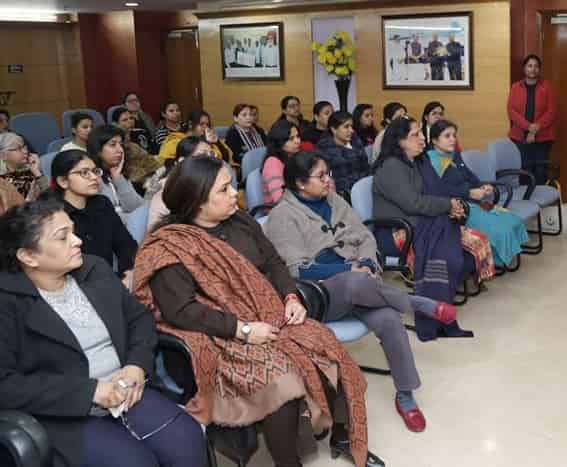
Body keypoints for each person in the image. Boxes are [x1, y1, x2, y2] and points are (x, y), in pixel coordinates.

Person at [134, 156, 383, 467]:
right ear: (197, 201)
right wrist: (243, 330)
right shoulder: (170, 246)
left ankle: (343, 435)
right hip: (219, 334)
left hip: (268, 312)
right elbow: (182, 311)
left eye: (232, 186)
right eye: (224, 189)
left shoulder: (240, 221)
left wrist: (291, 297)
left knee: (327, 346)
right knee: (281, 378)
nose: (234, 194)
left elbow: (274, 262)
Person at [0, 199, 207, 467]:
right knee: (133, 462)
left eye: (73, 231)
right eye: (63, 237)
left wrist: (136, 365)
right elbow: (6, 384)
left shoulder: (93, 269)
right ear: (29, 256)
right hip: (64, 411)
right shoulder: (8, 302)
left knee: (187, 441)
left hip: (128, 391)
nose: (77, 241)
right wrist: (90, 392)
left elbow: (139, 320)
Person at [265, 151, 458, 432]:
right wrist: (349, 270)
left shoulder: (334, 200)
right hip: (320, 293)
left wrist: (367, 262)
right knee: (354, 282)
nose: (328, 180)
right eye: (321, 176)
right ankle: (417, 303)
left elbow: (365, 236)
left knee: (389, 319)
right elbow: (296, 269)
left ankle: (405, 396)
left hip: (361, 284)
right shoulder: (282, 216)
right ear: (300, 183)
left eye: (328, 173)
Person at [373, 118, 493, 341]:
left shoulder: (419, 161)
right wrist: (447, 206)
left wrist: (454, 207)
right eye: (415, 135)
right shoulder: (391, 167)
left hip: (422, 221)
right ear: (400, 141)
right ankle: (434, 315)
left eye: (421, 133)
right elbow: (413, 203)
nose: (422, 139)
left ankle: (438, 308)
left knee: (470, 248)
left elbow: (436, 192)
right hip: (397, 230)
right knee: (450, 257)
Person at [428, 120, 528, 267]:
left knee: (510, 218)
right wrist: (468, 192)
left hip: (473, 200)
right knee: (501, 229)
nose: (452, 139)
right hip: (458, 208)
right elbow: (440, 190)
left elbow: (469, 175)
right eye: (447, 136)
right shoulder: (431, 162)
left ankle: (503, 256)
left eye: (454, 135)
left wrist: (482, 186)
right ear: (435, 140)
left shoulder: (454, 155)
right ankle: (497, 261)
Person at [45, 150, 137, 286]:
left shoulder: (102, 203)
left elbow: (125, 245)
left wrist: (128, 273)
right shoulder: (51, 216)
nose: (94, 177)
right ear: (63, 181)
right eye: (84, 173)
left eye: (95, 171)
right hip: (75, 287)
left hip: (110, 281)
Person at [507, 54, 557, 186]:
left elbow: (551, 111)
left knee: (540, 172)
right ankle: (526, 198)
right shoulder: (515, 87)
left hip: (543, 137)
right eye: (529, 66)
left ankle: (540, 198)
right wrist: (529, 127)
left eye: (536, 66)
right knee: (524, 171)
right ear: (524, 68)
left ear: (539, 69)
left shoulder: (547, 86)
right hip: (519, 137)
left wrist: (535, 129)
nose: (533, 69)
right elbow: (511, 111)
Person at [147, 136, 217, 230]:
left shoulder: (209, 182)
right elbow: (158, 233)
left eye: (211, 154)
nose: (210, 159)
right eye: (202, 155)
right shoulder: (166, 193)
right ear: (182, 161)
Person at [87, 125, 145, 222]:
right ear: (98, 150)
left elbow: (137, 207)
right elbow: (105, 218)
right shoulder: (91, 177)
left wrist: (118, 179)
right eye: (113, 145)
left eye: (121, 144)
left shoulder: (118, 172)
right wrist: (136, 219)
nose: (120, 150)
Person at [157, 109, 234, 170]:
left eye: (207, 124)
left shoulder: (207, 139)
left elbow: (226, 159)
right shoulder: (175, 140)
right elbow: (166, 163)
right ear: (190, 124)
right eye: (201, 124)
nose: (205, 127)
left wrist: (217, 142)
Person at [317, 110, 370, 196]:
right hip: (344, 193)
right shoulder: (326, 149)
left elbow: (366, 167)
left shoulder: (356, 141)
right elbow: (339, 181)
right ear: (334, 129)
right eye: (346, 127)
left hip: (364, 186)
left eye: (352, 126)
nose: (351, 130)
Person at [262, 120, 303, 205]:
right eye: (291, 138)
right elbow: (280, 198)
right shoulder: (272, 163)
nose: (297, 141)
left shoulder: (296, 156)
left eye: (298, 136)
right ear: (279, 142)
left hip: (299, 204)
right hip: (281, 209)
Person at [0, 132, 47, 202]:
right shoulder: (2, 181)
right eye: (18, 149)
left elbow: (51, 197)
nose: (25, 151)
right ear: (2, 155)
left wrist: (37, 172)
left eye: (24, 147)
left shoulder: (30, 168)